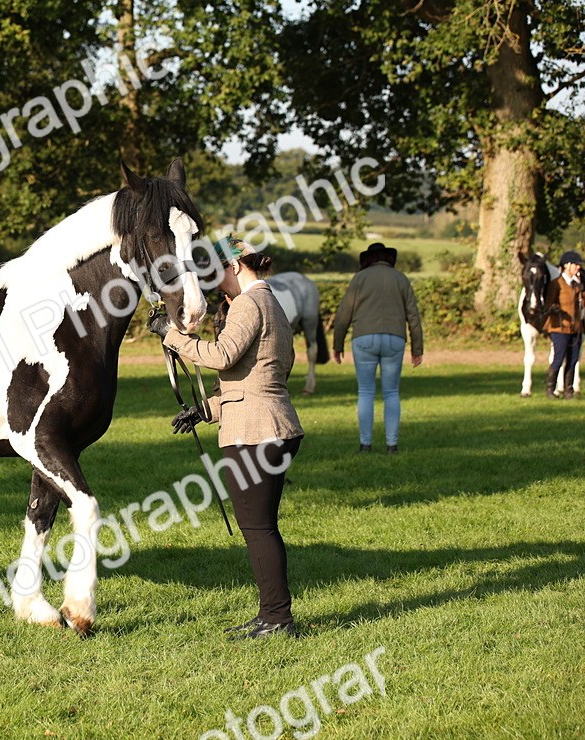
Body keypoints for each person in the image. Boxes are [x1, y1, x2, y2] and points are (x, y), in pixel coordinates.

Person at [148, 237, 305, 640]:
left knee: (258, 529)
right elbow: (261, 376)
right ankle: (272, 615)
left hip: (257, 432)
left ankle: (277, 619)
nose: (217, 286)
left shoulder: (250, 303)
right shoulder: (272, 303)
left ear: (235, 267)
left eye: (218, 275)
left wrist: (172, 334)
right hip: (272, 424)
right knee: (262, 527)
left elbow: (222, 356)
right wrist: (206, 410)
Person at [332, 242, 423, 453]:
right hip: (395, 338)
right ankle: (392, 444)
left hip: (363, 338)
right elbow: (413, 316)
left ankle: (366, 444)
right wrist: (417, 349)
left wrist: (337, 344)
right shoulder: (401, 278)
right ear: (388, 258)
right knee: (391, 393)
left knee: (365, 392)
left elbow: (344, 313)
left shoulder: (359, 278)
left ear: (368, 259)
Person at [543, 250, 582, 399]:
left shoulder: (578, 285)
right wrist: (554, 307)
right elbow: (548, 304)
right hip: (559, 327)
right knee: (559, 358)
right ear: (567, 265)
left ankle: (568, 390)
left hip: (575, 328)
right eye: (576, 265)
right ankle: (550, 389)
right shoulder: (556, 284)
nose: (578, 268)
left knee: (573, 359)